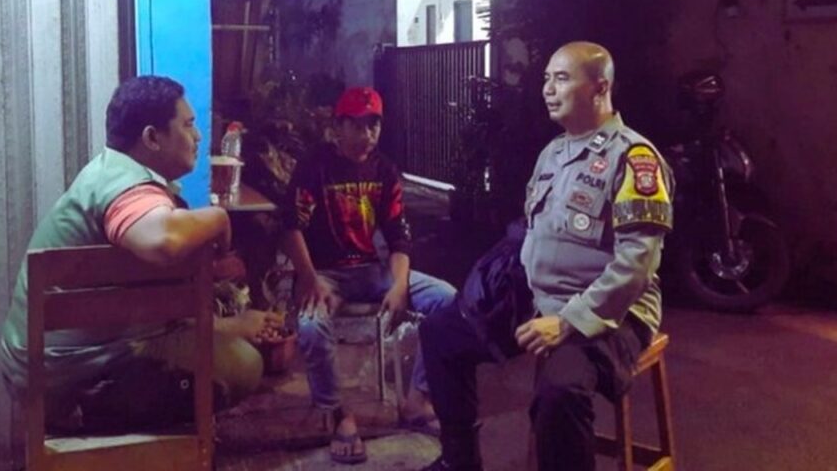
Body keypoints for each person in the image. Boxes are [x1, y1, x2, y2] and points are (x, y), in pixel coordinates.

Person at [419, 42, 674, 471]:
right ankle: (460, 463)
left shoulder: (634, 159)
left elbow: (637, 264)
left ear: (600, 88)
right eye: (547, 79)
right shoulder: (554, 153)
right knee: (440, 333)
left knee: (561, 392)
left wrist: (570, 321)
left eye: (562, 78)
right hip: (539, 300)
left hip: (610, 313)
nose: (548, 90)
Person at [0, 75, 283, 432]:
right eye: (188, 125)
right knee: (243, 365)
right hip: (68, 378)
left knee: (215, 347)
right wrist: (218, 217)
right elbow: (161, 240)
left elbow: (152, 317)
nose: (198, 136)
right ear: (151, 138)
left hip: (53, 364)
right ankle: (95, 416)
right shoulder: (125, 186)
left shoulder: (111, 173)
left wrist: (232, 326)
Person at [280, 86, 458, 464]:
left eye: (373, 125)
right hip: (324, 273)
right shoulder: (315, 166)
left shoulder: (385, 171)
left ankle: (418, 399)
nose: (367, 134)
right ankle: (338, 414)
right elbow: (290, 227)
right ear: (338, 127)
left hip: (371, 270)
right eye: (357, 126)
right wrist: (309, 279)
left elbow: (399, 238)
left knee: (447, 300)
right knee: (311, 325)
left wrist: (399, 285)